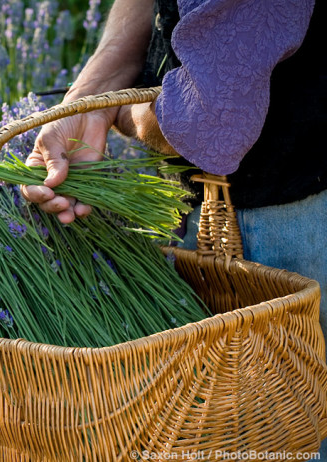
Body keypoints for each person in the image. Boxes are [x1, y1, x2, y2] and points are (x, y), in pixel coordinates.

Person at [22, 0, 326, 454]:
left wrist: (121, 113)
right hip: (215, 190)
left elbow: (209, 116)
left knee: (273, 430)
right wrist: (88, 98)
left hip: (282, 206)